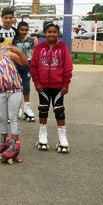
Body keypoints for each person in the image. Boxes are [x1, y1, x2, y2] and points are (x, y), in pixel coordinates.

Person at [0, 36, 28, 164]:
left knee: (13, 117)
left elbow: (25, 63)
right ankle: (4, 140)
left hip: (15, 90)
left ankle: (15, 143)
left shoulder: (8, 55)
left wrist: (18, 51)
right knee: (2, 117)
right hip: (0, 92)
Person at [30, 21, 73, 153]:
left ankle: (62, 136)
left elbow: (68, 67)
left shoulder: (63, 48)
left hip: (58, 86)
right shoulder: (38, 48)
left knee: (59, 110)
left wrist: (66, 84)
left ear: (58, 33)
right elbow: (33, 66)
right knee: (43, 108)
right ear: (45, 33)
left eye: (54, 32)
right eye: (49, 32)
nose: (52, 34)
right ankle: (42, 133)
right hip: (42, 85)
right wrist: (36, 82)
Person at [12, 21, 38, 121]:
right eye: (22, 30)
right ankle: (17, 107)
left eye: (26, 30)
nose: (24, 32)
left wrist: (33, 38)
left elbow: (33, 52)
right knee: (17, 86)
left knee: (26, 86)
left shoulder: (31, 41)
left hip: (27, 65)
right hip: (16, 65)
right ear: (18, 30)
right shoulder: (14, 40)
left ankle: (27, 107)